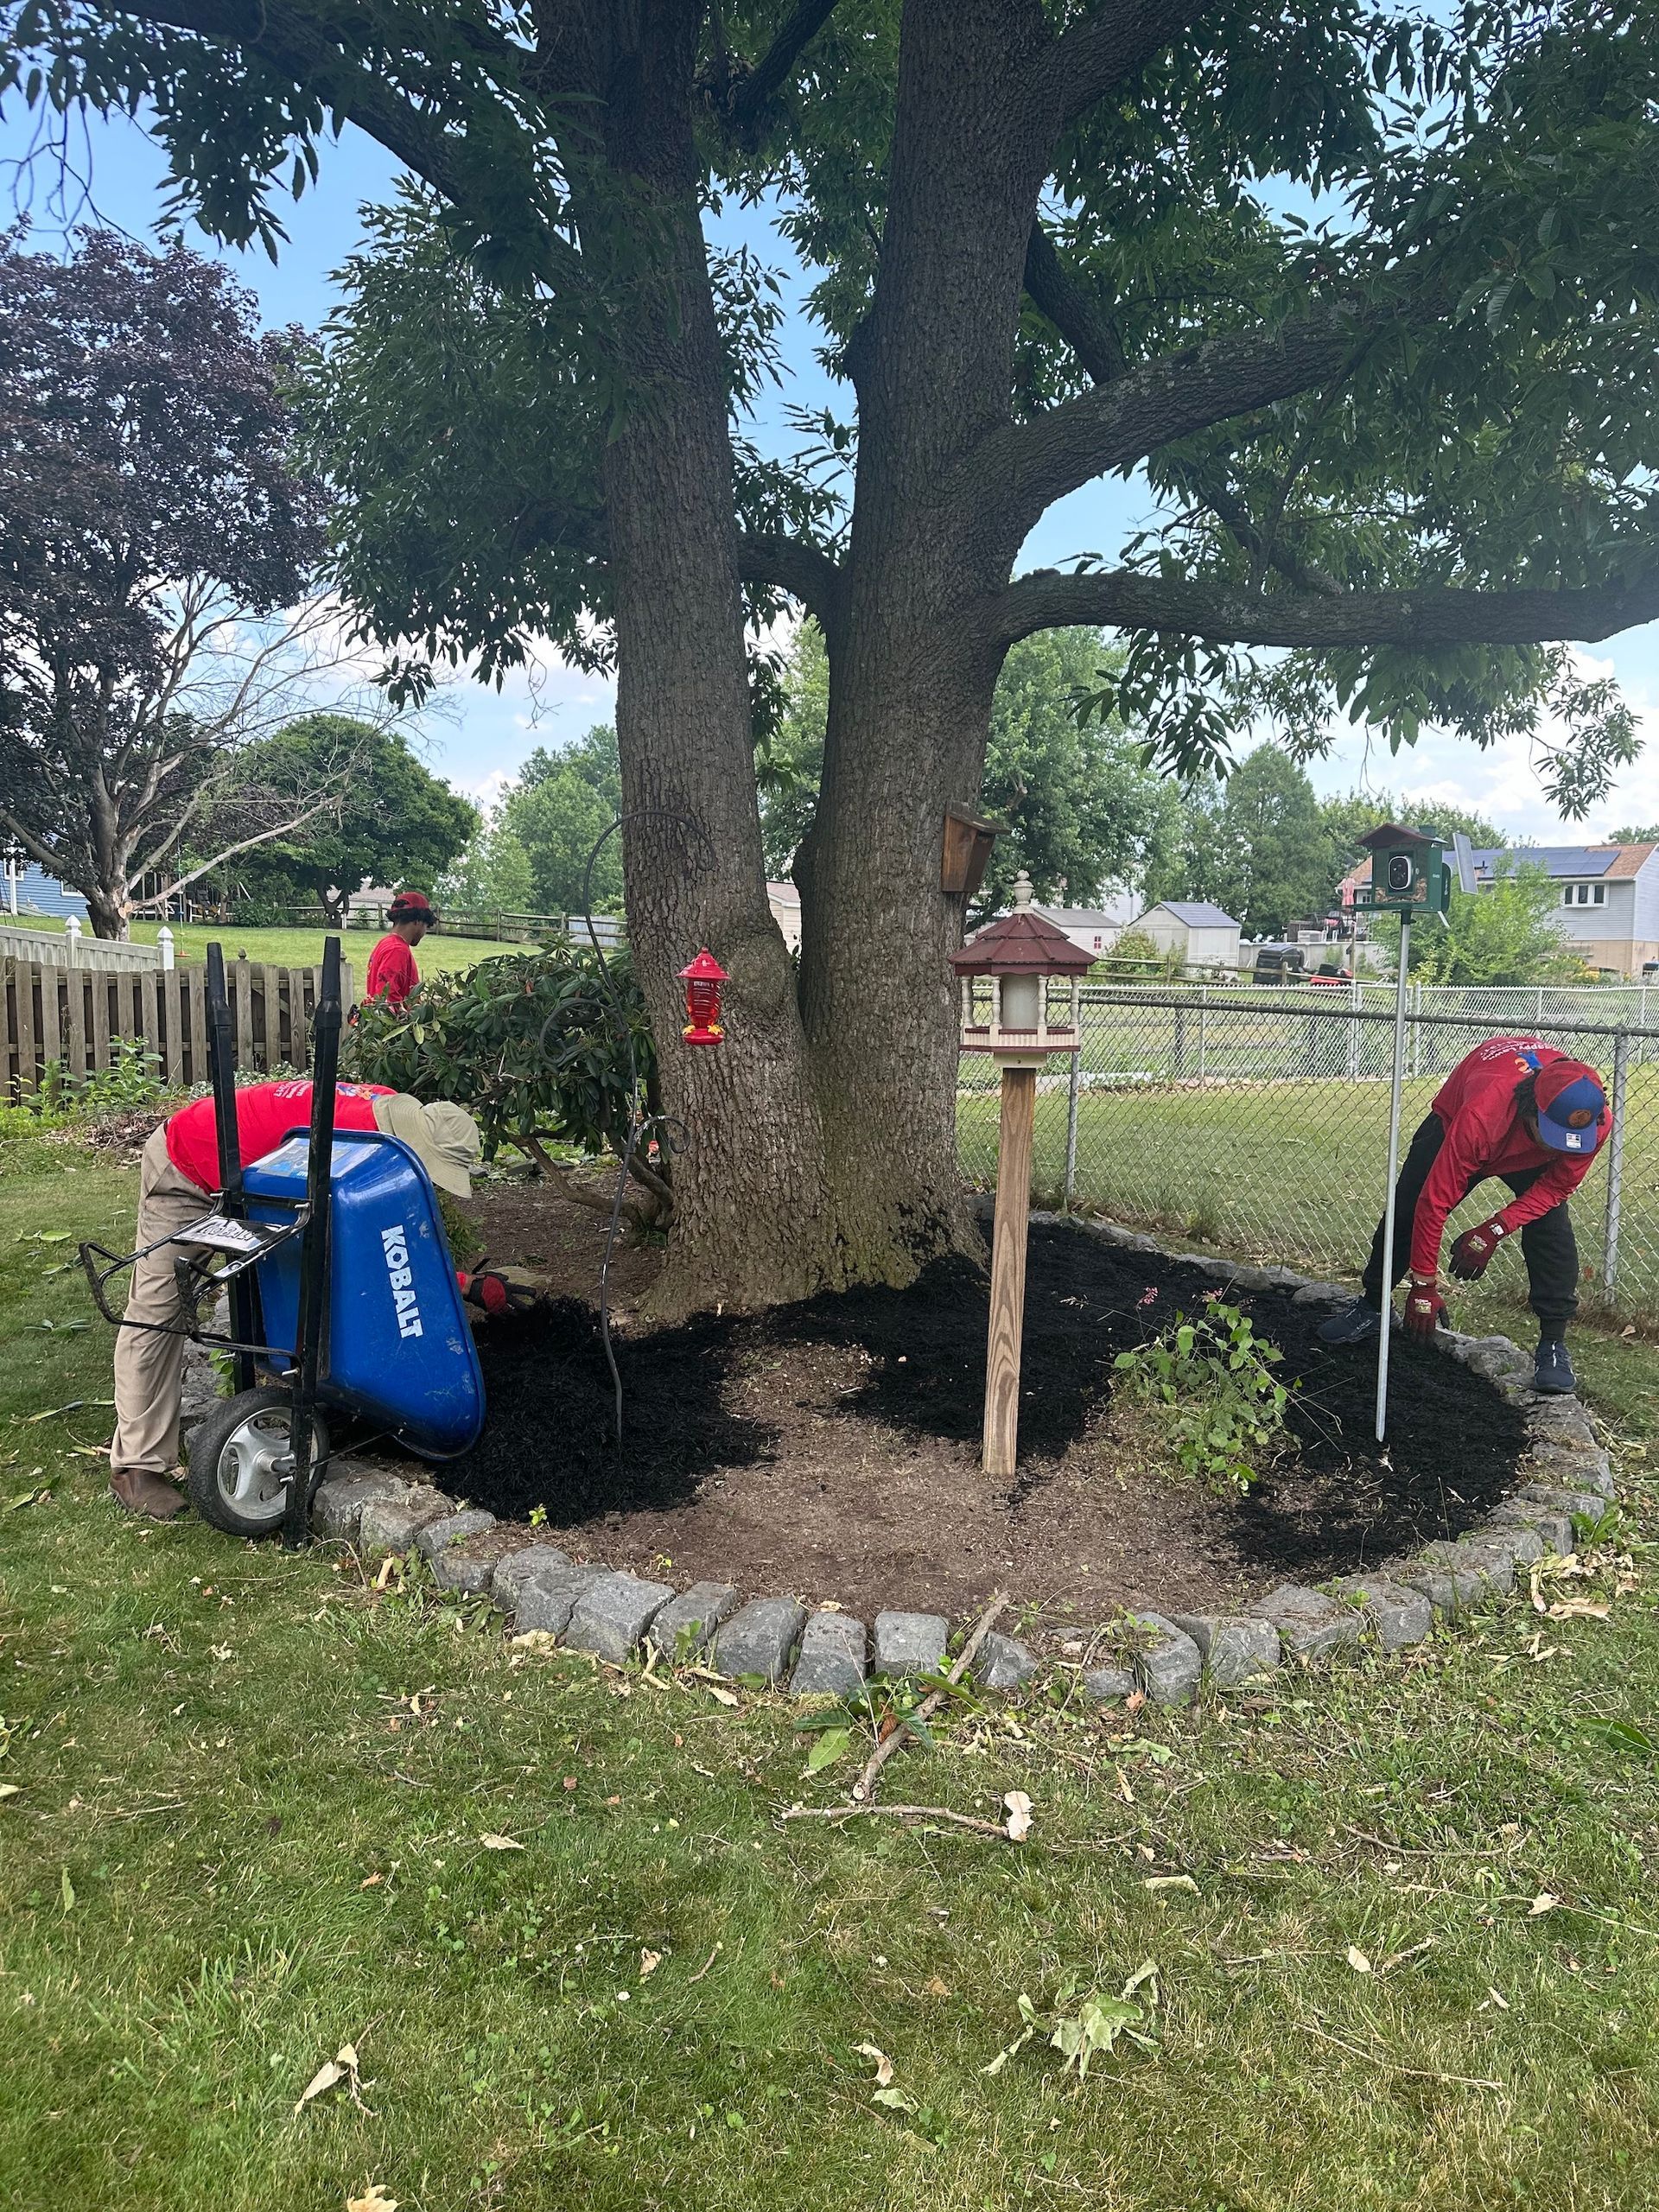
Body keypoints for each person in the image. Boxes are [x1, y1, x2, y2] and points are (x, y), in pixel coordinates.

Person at [108, 1077, 534, 1520]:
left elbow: (376, 1244)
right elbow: (364, 1247)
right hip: (190, 1165)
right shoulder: (345, 1146)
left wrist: (463, 1285)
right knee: (156, 1314)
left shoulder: (387, 1118)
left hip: (253, 1176)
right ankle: (136, 1467)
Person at [1319, 1037, 1611, 1395]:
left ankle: (1553, 1343)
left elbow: (1554, 1190)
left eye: (1570, 1139)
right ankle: (1373, 1304)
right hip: (1462, 1119)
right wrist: (1424, 1287)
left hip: (1515, 1137)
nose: (1559, 1146)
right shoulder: (1481, 1116)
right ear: (1530, 1109)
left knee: (1551, 1227)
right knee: (1408, 1208)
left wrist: (1492, 1230)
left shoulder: (1592, 1123)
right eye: (1553, 1135)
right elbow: (1434, 1202)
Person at [364, 890, 435, 1008]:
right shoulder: (397, 950)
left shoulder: (385, 943)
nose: (424, 933)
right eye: (426, 926)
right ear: (418, 922)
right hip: (391, 1026)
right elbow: (387, 999)